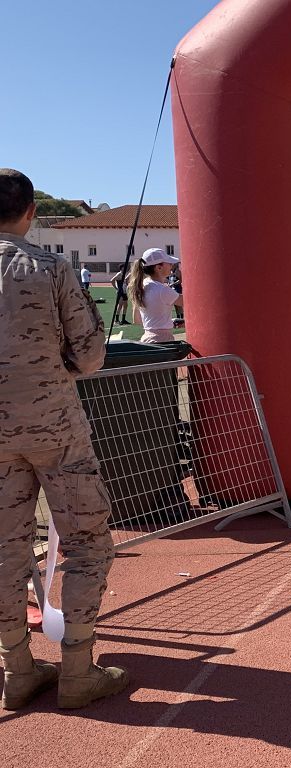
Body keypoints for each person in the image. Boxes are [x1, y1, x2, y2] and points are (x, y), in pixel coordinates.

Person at [0, 168, 128, 710]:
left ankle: (17, 669)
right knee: (87, 543)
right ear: (31, 211)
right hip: (55, 426)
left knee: (3, 550)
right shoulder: (50, 267)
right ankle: (77, 669)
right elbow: (91, 355)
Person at [127, 248, 183, 343]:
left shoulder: (142, 285)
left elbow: (137, 319)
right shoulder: (163, 290)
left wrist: (165, 322)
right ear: (158, 267)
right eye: (168, 263)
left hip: (147, 339)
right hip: (162, 341)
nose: (171, 265)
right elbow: (190, 302)